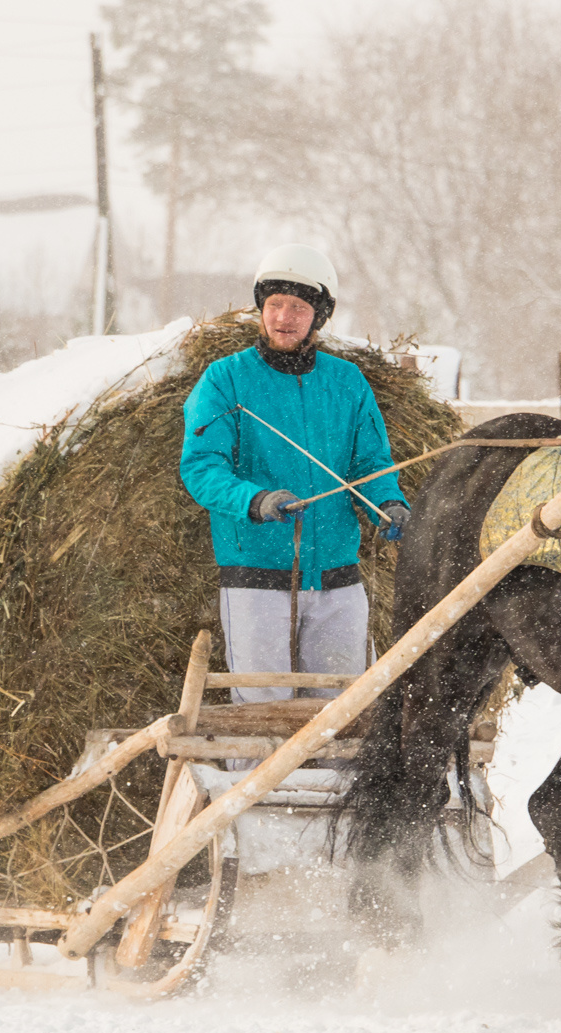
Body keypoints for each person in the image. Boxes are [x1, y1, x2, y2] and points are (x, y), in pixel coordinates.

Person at [179, 244, 409, 714]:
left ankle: (333, 792)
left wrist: (387, 504)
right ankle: (253, 789)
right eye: (274, 305)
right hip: (256, 578)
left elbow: (370, 466)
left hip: (338, 579)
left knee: (343, 711)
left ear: (319, 315)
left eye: (299, 307)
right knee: (261, 712)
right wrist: (256, 499)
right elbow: (201, 467)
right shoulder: (225, 379)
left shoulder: (347, 382)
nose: (284, 317)